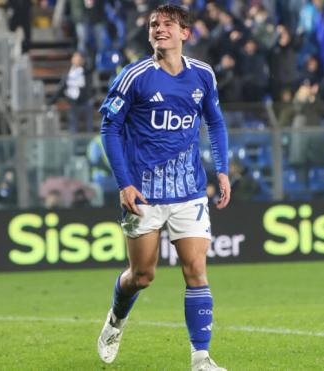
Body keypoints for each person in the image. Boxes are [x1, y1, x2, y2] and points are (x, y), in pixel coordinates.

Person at [96, 4, 231, 371]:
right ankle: (115, 320)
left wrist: (222, 171)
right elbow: (109, 128)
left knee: (196, 270)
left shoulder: (202, 74)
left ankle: (200, 358)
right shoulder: (134, 76)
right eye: (154, 24)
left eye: (167, 25)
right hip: (143, 193)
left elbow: (215, 122)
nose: (158, 29)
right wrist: (124, 184)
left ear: (185, 33)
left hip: (189, 190)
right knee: (142, 276)